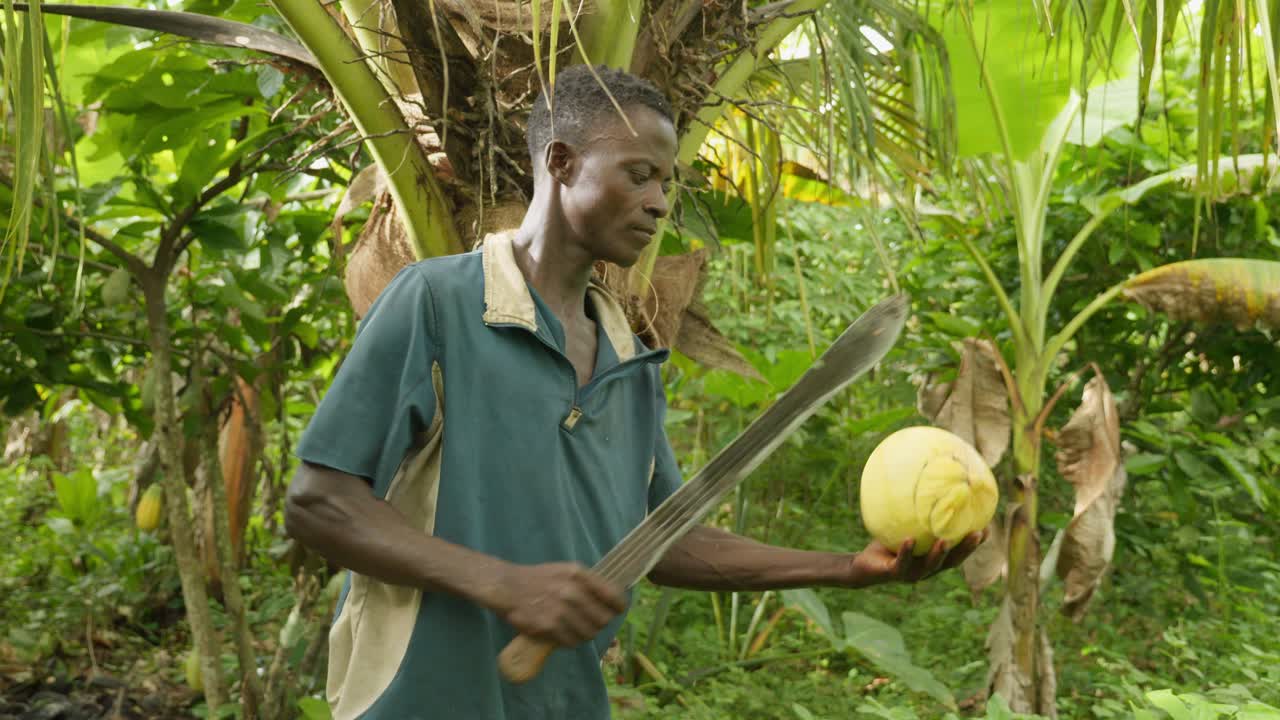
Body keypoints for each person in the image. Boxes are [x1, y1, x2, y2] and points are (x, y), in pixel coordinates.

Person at [285, 65, 985, 720]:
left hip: (563, 700)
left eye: (666, 182)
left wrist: (846, 569)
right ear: (560, 163)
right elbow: (320, 502)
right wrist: (504, 583)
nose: (658, 202)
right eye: (639, 175)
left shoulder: (630, 360)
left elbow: (666, 543)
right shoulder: (438, 304)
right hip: (422, 697)